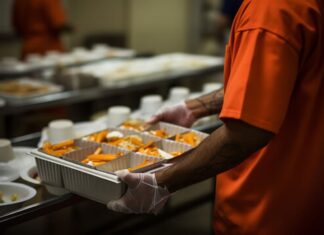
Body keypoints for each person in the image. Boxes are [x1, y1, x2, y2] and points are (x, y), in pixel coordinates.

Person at [108, 0, 324, 234]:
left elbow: (245, 132)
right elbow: (271, 85)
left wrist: (160, 183)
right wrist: (194, 108)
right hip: (307, 196)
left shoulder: (269, 8)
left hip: (266, 206)